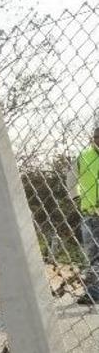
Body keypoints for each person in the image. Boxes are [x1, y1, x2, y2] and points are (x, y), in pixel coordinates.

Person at [76, 127, 99, 305]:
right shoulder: (83, 156)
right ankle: (92, 291)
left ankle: (93, 291)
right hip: (89, 213)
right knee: (92, 254)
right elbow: (71, 179)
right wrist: (78, 198)